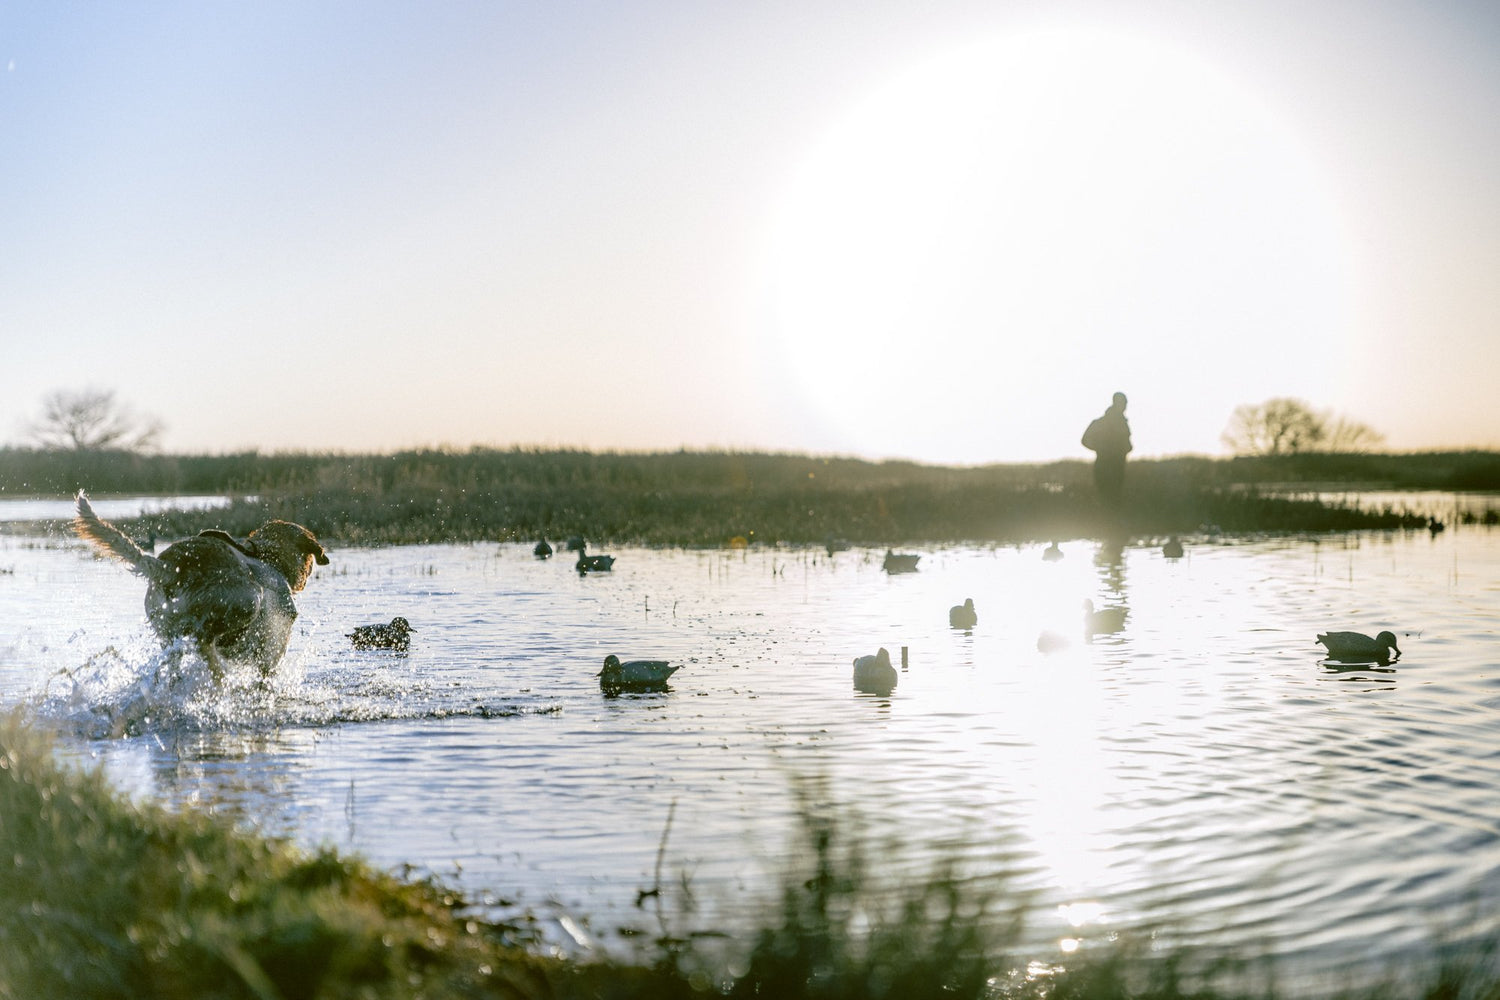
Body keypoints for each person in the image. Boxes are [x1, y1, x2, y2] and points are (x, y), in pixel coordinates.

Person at [1081, 392, 1132, 507]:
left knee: (1110, 499)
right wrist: (1101, 449)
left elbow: (1128, 446)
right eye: (1124, 403)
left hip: (1115, 466)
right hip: (1108, 466)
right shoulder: (1106, 423)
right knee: (1109, 499)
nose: (1125, 406)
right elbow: (1085, 440)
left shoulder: (1120, 424)